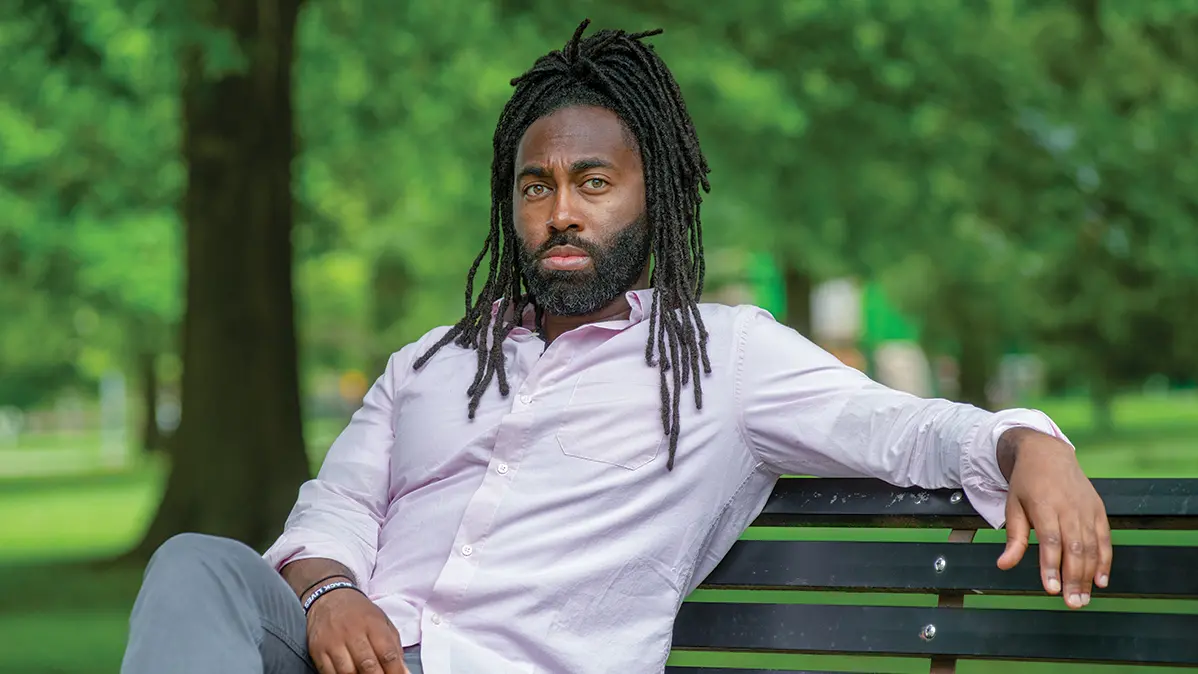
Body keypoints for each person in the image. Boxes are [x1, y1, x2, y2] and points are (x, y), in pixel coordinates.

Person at [121, 20, 1111, 674]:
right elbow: (331, 509)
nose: (560, 213)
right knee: (198, 564)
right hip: (338, 650)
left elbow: (904, 428)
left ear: (653, 197)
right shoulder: (428, 362)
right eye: (535, 186)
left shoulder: (724, 360)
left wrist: (1031, 443)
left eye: (593, 183)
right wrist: (332, 592)